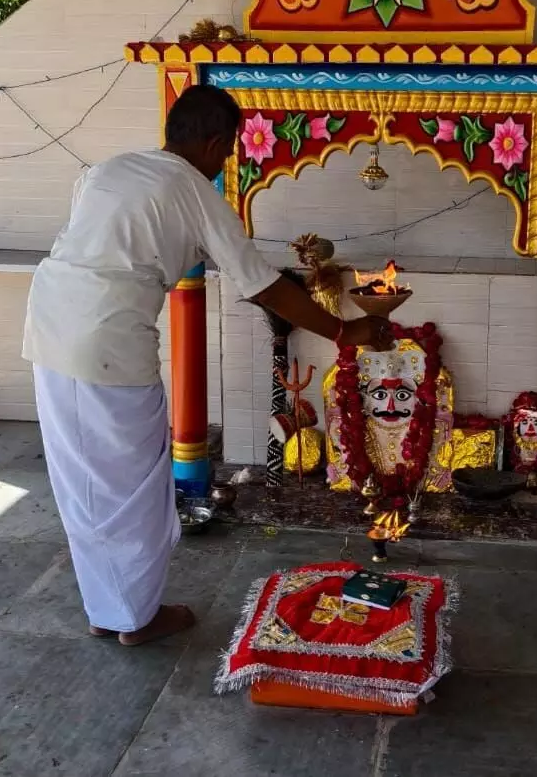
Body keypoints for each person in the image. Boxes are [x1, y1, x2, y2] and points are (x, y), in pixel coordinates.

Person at [22, 83, 392, 646]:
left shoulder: (105, 171)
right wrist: (346, 331)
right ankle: (137, 619)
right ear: (215, 141)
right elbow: (264, 286)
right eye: (228, 151)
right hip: (107, 340)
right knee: (136, 483)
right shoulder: (193, 188)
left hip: (49, 324)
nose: (225, 163)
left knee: (82, 482)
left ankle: (109, 608)